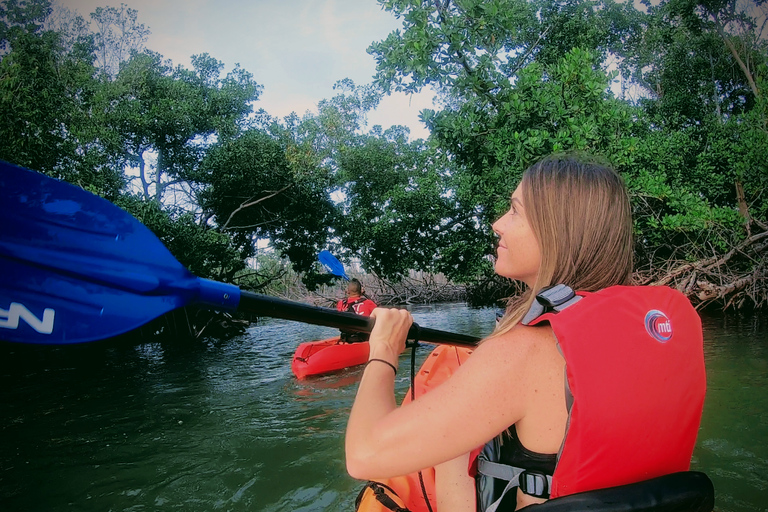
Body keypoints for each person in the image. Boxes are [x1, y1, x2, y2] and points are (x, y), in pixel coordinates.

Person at [345, 154, 706, 512]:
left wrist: (384, 349)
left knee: (453, 453)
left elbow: (363, 456)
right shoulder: (662, 333)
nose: (497, 224)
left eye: (515, 211)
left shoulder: (527, 349)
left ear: (557, 230)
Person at [337, 278, 377, 343]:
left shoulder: (341, 303)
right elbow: (380, 313)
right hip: (362, 339)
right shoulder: (369, 303)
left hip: (346, 339)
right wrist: (364, 294)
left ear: (347, 291)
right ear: (361, 291)